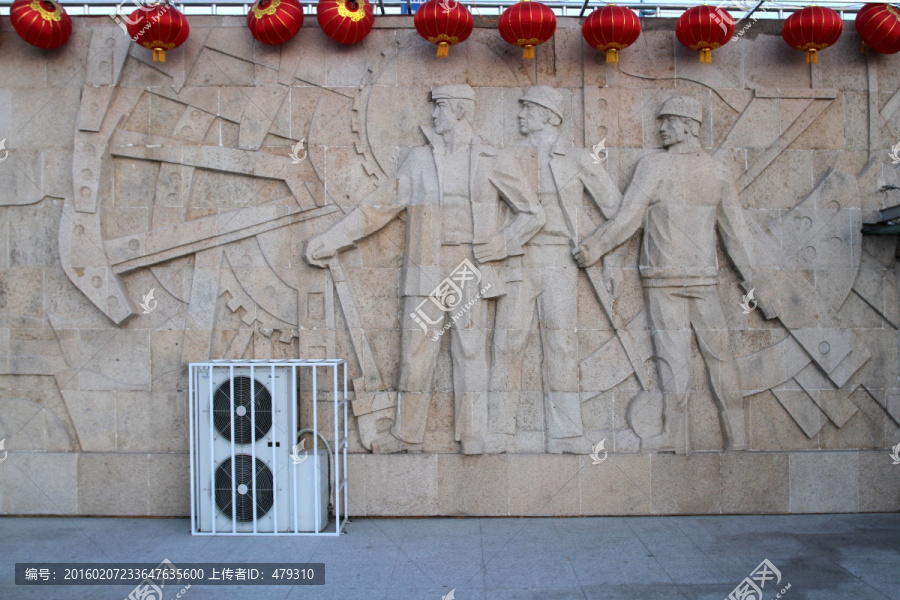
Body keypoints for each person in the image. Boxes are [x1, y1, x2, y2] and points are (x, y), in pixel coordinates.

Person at [305, 84, 544, 454]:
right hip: (426, 266)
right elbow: (378, 208)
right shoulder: (418, 161)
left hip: (471, 268)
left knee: (469, 351)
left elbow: (533, 213)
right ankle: (406, 434)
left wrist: (502, 244)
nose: (433, 116)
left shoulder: (492, 158)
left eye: (440, 109)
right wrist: (332, 239)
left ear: (460, 111)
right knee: (415, 352)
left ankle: (473, 435)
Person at [573, 95, 758, 453]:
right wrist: (754, 283)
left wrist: (593, 248)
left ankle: (677, 437)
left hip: (665, 279)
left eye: (668, 121)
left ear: (689, 125)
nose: (661, 128)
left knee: (674, 360)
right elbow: (736, 236)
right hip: (702, 278)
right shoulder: (718, 170)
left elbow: (628, 219)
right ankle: (738, 439)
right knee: (720, 358)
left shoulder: (654, 166)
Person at [487, 86, 621, 454]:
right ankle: (499, 431)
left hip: (561, 260)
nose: (520, 116)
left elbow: (615, 209)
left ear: (548, 115)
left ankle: (565, 433)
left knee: (561, 344)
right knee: (506, 344)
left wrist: (604, 254)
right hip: (518, 258)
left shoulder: (578, 158)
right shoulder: (510, 155)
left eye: (527, 109)